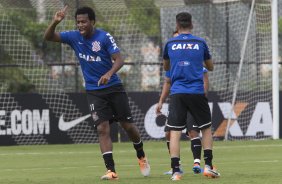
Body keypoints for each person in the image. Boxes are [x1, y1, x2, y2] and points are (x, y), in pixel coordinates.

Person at [43, 6, 150, 180]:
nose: (80, 25)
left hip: (114, 88)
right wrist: (55, 21)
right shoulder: (73, 37)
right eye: (78, 22)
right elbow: (48, 37)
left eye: (84, 21)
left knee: (127, 126)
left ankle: (141, 155)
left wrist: (109, 73)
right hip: (94, 91)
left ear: (92, 22)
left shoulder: (104, 37)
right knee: (102, 128)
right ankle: (111, 171)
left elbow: (119, 60)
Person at [162, 12, 220, 180]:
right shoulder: (200, 42)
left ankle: (175, 171)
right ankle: (208, 166)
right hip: (196, 91)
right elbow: (210, 67)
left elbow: (166, 66)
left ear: (177, 26)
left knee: (175, 131)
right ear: (192, 25)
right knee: (206, 129)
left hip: (178, 92)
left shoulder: (170, 43)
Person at [156, 67, 208, 175]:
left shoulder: (195, 59)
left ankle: (197, 163)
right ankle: (176, 165)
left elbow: (205, 80)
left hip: (193, 99)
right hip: (177, 100)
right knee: (169, 133)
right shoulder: (173, 62)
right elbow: (167, 82)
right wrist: (161, 101)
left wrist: (202, 97)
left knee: (193, 131)